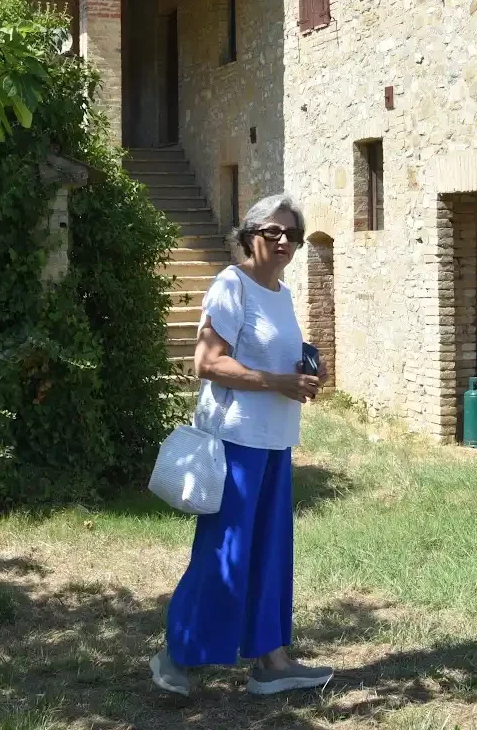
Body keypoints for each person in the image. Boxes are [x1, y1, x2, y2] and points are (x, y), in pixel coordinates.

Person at [150, 194, 332, 698]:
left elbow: (282, 361)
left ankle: (271, 661)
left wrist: (303, 376)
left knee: (272, 553)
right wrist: (276, 381)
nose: (282, 242)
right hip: (235, 441)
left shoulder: (285, 294)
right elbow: (207, 363)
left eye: (291, 235)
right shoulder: (231, 286)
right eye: (272, 231)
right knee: (225, 553)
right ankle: (176, 655)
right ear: (248, 234)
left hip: (276, 443)